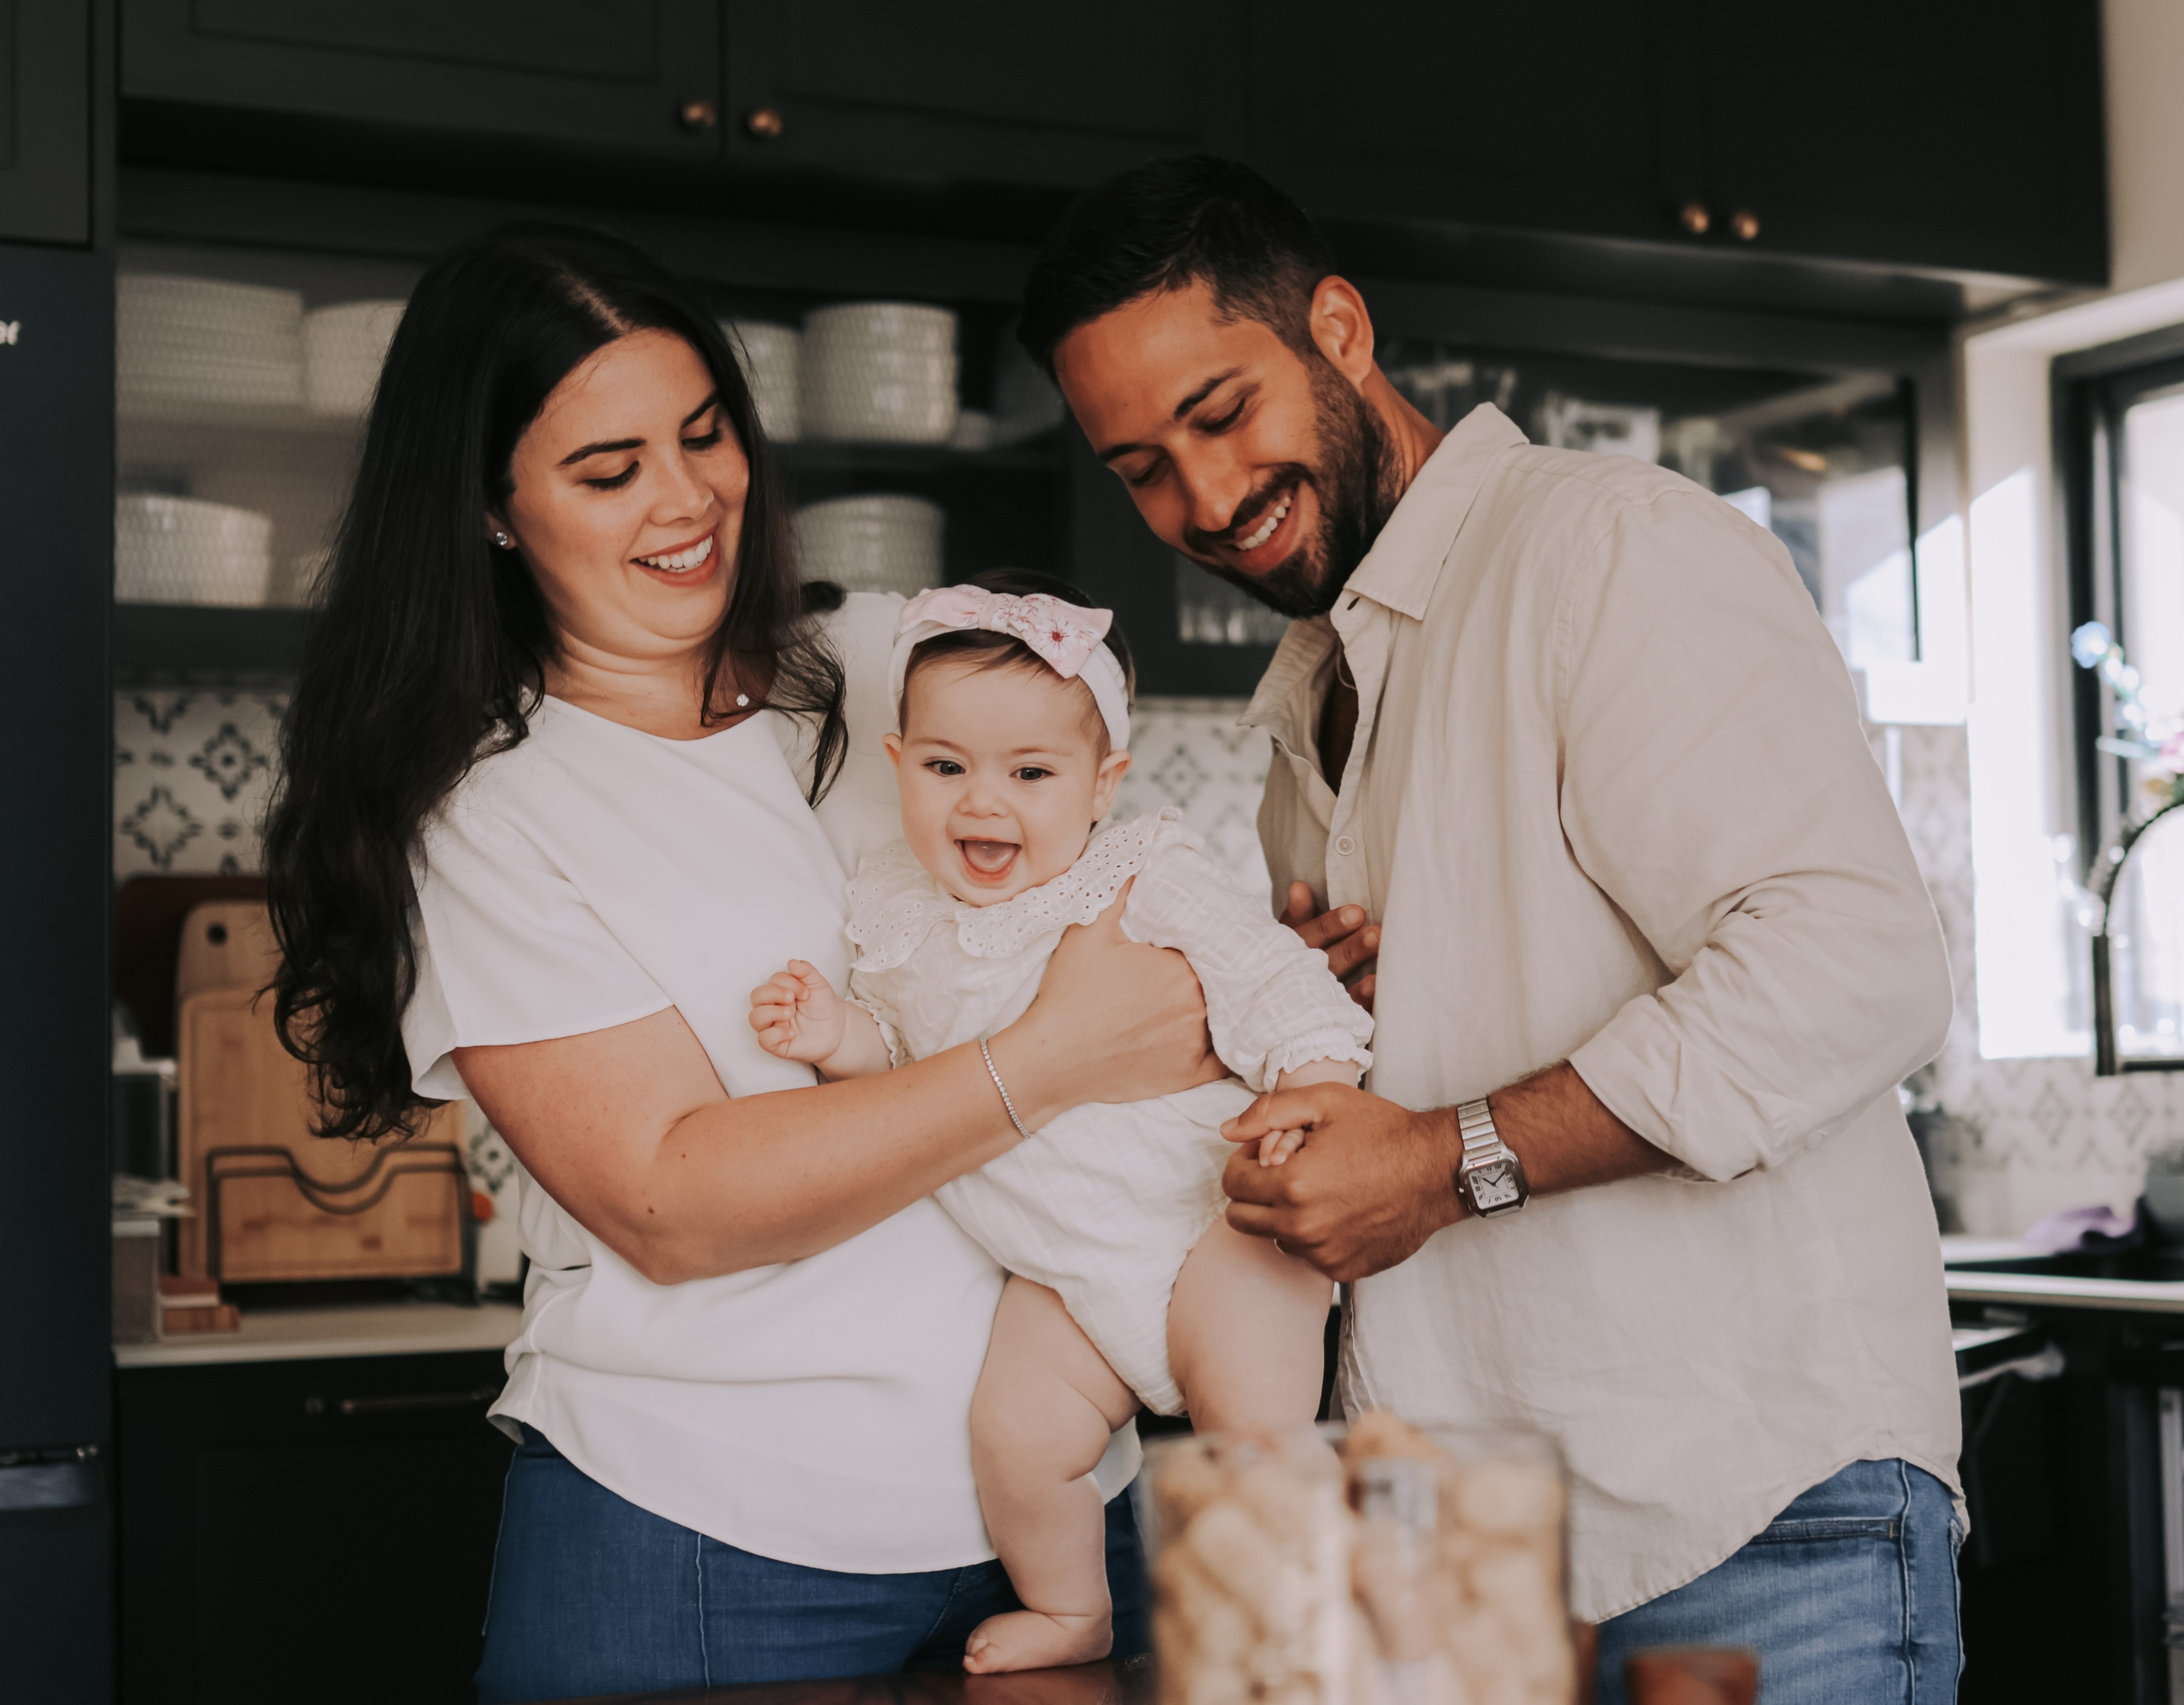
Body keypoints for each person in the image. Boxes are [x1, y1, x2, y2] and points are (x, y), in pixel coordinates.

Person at [259, 224, 1369, 1701]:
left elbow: (1107, 861)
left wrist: (1257, 974)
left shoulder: (884, 661)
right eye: (609, 470)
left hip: (1058, 1509)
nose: (686, 499)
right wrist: (1049, 1053)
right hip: (713, 1545)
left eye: (705, 435)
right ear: (493, 511)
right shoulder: (498, 806)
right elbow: (672, 1198)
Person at [1019, 158, 1966, 1704]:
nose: (1201, 501)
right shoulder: (1311, 702)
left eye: (1219, 411)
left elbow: (1855, 963)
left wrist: (1443, 1155)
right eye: (1140, 467)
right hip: (1438, 1528)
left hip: (1748, 1505)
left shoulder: (1610, 551)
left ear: (1338, 326)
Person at [750, 569, 1372, 1673]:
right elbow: (906, 1075)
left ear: (1101, 783)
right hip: (1060, 1273)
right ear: (898, 767)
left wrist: (1313, 1091)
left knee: (1253, 1437)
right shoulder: (892, 904)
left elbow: (1272, 981)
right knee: (1017, 1439)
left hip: (1212, 1220)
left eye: (1030, 772)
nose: (982, 803)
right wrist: (834, 1035)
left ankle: (1294, 1636)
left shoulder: (1140, 872)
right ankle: (1073, 1608)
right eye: (945, 768)